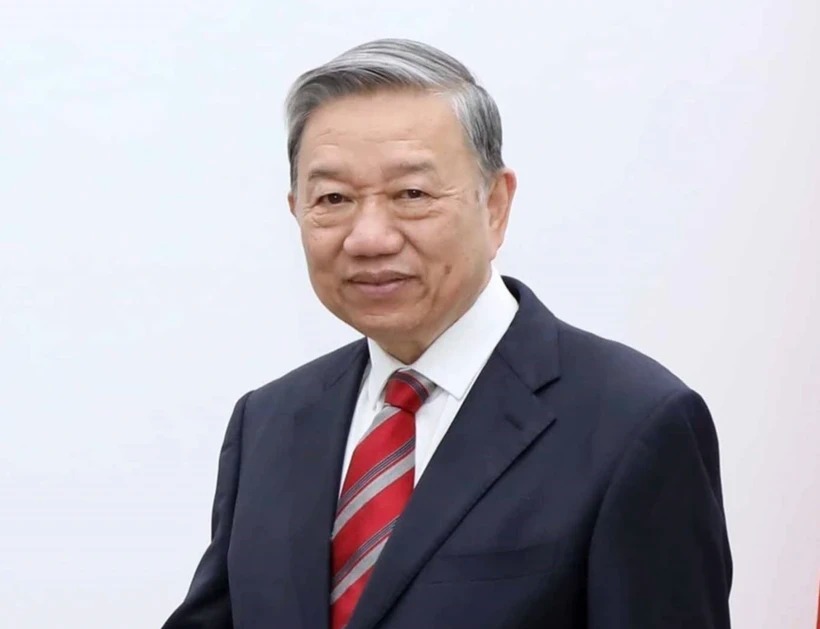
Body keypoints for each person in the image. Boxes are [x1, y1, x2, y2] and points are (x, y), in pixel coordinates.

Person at [162, 38, 732, 629]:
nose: (369, 237)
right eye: (333, 198)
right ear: (296, 210)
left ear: (495, 206)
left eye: (411, 194)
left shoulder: (635, 425)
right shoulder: (268, 423)